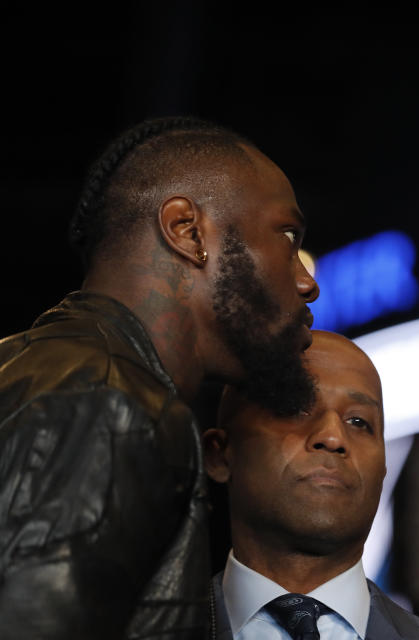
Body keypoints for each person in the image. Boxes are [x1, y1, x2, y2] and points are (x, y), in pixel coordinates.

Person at [0, 117, 319, 638]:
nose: (307, 282)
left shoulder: (42, 366)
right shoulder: (112, 406)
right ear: (188, 232)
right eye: (287, 235)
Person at [203, 330, 419, 639]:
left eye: (358, 422)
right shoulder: (140, 628)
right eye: (294, 408)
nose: (333, 437)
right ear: (220, 454)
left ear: (382, 470)